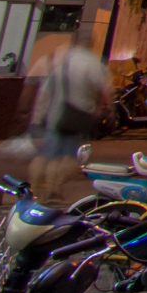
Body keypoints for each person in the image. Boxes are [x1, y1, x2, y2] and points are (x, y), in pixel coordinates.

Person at [26, 28, 109, 197]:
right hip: (75, 116)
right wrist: (105, 111)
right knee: (67, 157)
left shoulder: (58, 61)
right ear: (92, 44)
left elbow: (44, 91)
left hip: (51, 115)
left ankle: (33, 188)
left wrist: (36, 116)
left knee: (45, 155)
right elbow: (104, 90)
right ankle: (54, 189)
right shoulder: (92, 63)